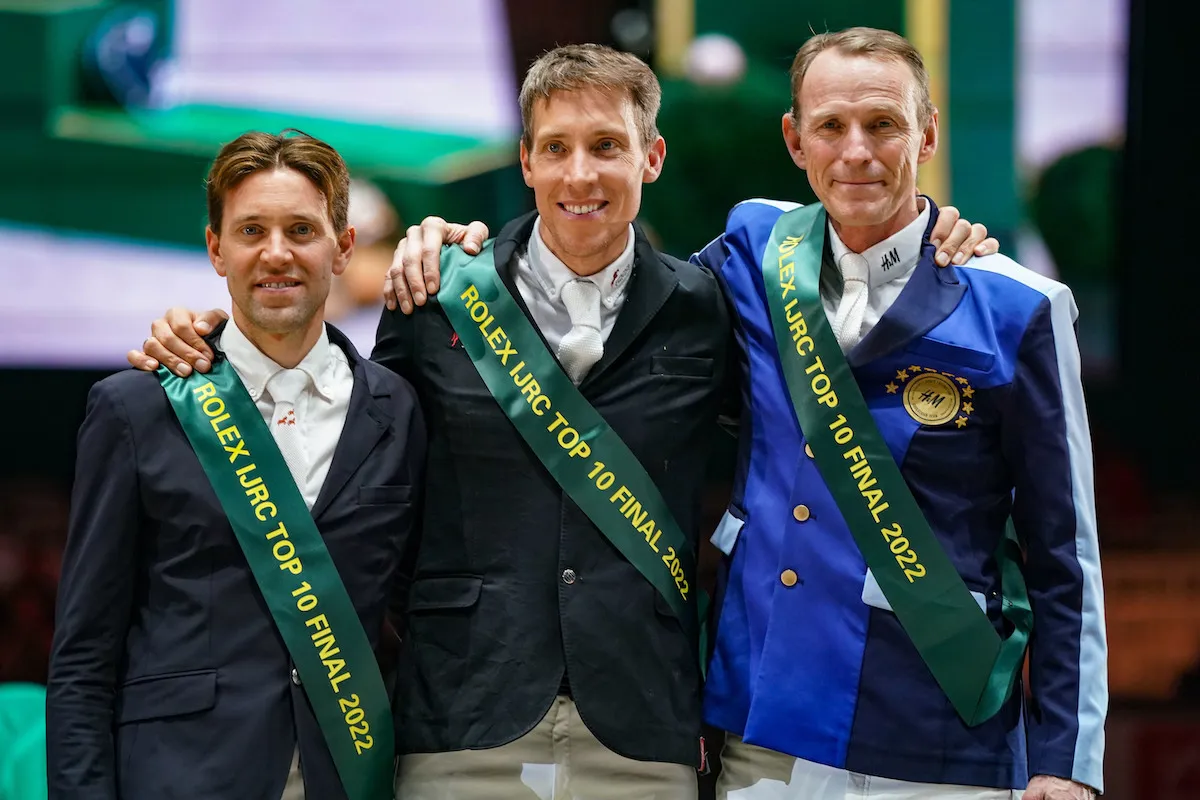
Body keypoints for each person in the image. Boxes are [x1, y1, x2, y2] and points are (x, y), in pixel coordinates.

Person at [129, 45, 996, 800]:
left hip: (645, 726)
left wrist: (934, 238)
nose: (582, 174)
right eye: (558, 149)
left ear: (651, 157)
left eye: (607, 146)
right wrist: (207, 337)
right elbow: (364, 478)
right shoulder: (435, 297)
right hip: (463, 717)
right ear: (526, 162)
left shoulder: (710, 305)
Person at [376, 27, 1106, 800]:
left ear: (926, 134)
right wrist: (437, 244)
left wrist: (1067, 759)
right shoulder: (750, 258)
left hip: (942, 729)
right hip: (768, 732)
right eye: (830, 126)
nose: (856, 149)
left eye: (883, 124)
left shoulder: (1016, 306)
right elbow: (598, 280)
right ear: (795, 140)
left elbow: (1066, 555)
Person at [47, 130, 426, 800]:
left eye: (301, 229)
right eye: (252, 230)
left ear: (342, 248)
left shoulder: (398, 410)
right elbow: (83, 656)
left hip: (349, 775)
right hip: (180, 776)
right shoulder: (136, 408)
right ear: (217, 249)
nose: (276, 253)